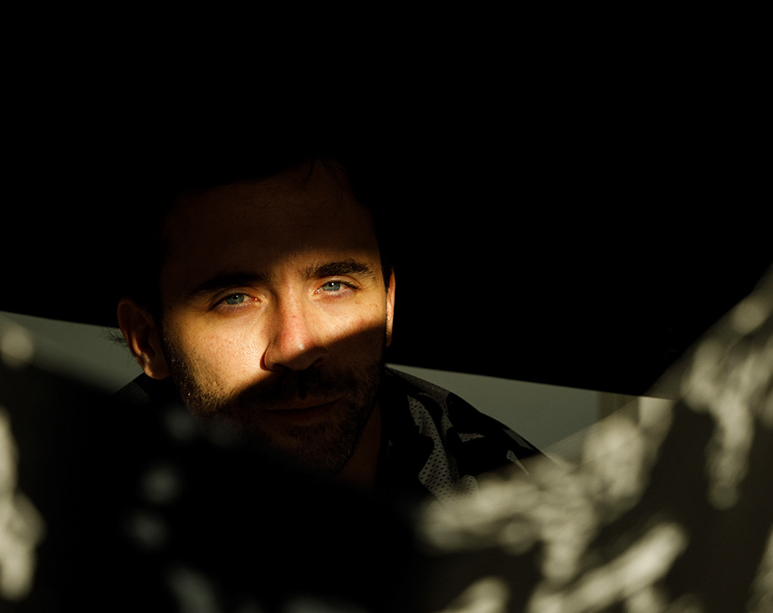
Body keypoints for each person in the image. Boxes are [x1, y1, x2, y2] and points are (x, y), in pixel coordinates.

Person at [112, 144, 540, 504]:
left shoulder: (515, 511)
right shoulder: (80, 501)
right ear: (148, 340)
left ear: (388, 304)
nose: (298, 348)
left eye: (334, 286)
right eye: (235, 299)